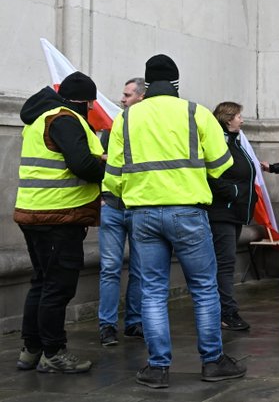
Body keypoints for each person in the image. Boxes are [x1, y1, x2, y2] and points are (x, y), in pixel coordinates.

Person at [104, 54, 246, 389]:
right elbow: (222, 164)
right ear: (177, 84)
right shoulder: (195, 112)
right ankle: (213, 361)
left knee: (152, 291)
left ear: (148, 85)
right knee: (204, 287)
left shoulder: (126, 118)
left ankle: (157, 367)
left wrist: (132, 192)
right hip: (188, 212)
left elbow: (112, 177)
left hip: (143, 214)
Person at [15, 72, 105, 374]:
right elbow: (81, 164)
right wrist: (108, 170)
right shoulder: (65, 119)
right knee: (58, 287)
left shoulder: (41, 117)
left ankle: (32, 350)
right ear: (87, 102)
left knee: (41, 283)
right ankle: (53, 353)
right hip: (58, 216)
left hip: (34, 212)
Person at [98, 77, 146, 347]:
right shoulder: (113, 125)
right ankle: (107, 325)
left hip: (139, 207)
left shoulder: (148, 126)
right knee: (109, 268)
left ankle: (134, 322)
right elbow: (101, 161)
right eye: (123, 94)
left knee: (139, 269)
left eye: (127, 94)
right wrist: (102, 197)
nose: (122, 98)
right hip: (114, 206)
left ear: (141, 96)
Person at [208, 102, 258, 331]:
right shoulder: (219, 142)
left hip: (234, 212)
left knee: (225, 263)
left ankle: (224, 310)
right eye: (239, 115)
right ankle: (226, 312)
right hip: (222, 213)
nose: (242, 119)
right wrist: (234, 193)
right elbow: (212, 173)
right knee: (225, 264)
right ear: (228, 119)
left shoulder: (234, 142)